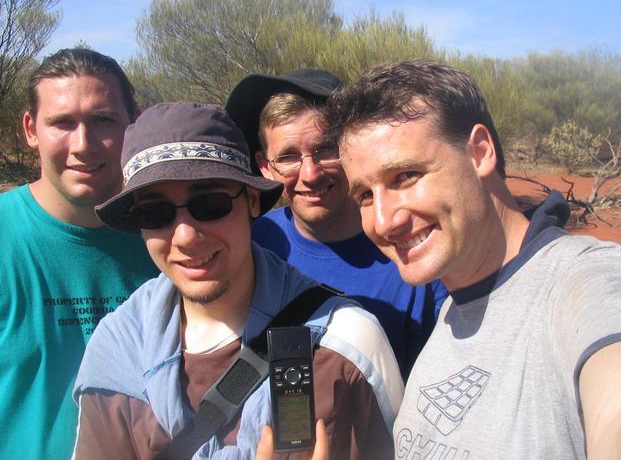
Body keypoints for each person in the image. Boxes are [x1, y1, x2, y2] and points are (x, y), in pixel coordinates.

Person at [325, 60, 621, 459]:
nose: (384, 221)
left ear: (479, 152)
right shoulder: (454, 308)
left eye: (405, 176)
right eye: (365, 196)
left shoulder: (585, 282)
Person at [72, 102, 403, 459]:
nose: (184, 236)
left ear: (253, 202)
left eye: (210, 204)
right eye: (155, 212)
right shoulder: (119, 350)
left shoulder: (345, 344)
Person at [226, 69, 447, 378]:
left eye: (325, 150)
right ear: (266, 167)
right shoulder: (251, 244)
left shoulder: (409, 246)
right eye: (289, 157)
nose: (310, 174)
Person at [0, 48, 158, 459]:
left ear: (134, 122)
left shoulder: (174, 238)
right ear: (31, 128)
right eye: (62, 123)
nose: (83, 145)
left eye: (103, 120)